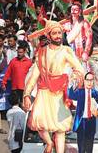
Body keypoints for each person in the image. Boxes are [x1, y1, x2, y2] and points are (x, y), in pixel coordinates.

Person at [23, 19, 85, 153]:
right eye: (55, 33)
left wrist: (73, 77)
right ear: (48, 36)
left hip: (59, 92)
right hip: (44, 90)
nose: (58, 36)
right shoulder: (41, 52)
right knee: (39, 121)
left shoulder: (66, 51)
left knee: (60, 128)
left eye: (59, 33)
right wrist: (27, 95)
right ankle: (49, 143)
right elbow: (34, 76)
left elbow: (79, 69)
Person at [68, 71, 98, 153]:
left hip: (91, 121)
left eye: (91, 80)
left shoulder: (95, 93)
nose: (89, 82)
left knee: (89, 148)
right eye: (87, 80)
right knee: (81, 148)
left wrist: (97, 112)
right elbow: (70, 95)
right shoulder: (80, 92)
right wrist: (71, 82)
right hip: (81, 122)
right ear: (84, 81)